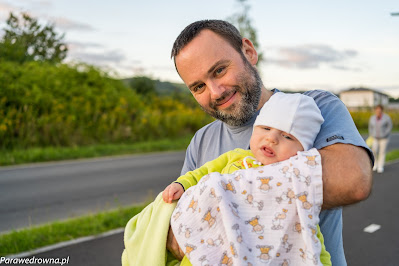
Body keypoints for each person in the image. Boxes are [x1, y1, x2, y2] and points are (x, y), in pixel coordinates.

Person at [166, 19, 373, 266]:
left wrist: (218, 199)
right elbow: (176, 234)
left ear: (249, 52)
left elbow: (353, 178)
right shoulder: (201, 141)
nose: (216, 91)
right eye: (199, 86)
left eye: (219, 70)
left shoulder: (312, 108)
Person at [163, 92, 331, 265]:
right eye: (266, 128)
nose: (271, 138)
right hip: (213, 239)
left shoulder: (294, 183)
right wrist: (182, 184)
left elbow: (312, 240)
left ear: (302, 151)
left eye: (287, 136)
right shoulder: (236, 157)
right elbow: (202, 173)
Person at [368, 104, 393, 173]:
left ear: (382, 110)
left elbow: (389, 126)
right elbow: (370, 127)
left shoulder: (386, 117)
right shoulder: (372, 118)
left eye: (379, 109)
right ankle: (375, 164)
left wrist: (385, 134)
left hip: (384, 138)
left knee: (382, 152)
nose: (378, 110)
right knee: (374, 151)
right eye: (377, 109)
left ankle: (380, 166)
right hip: (375, 138)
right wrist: (371, 134)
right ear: (375, 110)